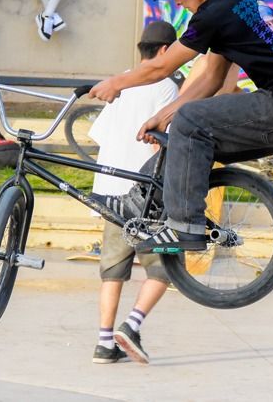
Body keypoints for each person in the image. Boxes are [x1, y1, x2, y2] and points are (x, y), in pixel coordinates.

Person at [89, 0, 273, 253]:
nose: (177, 2)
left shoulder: (214, 13)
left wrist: (116, 83)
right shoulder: (236, 0)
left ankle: (185, 226)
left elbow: (162, 66)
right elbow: (212, 78)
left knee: (191, 120)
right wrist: (164, 115)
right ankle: (140, 201)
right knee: (188, 141)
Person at [87, 20, 181, 365]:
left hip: (110, 194)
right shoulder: (167, 86)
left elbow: (98, 135)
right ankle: (132, 324)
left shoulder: (123, 80)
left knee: (113, 270)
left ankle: (104, 343)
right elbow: (164, 143)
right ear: (166, 51)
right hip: (145, 196)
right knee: (167, 266)